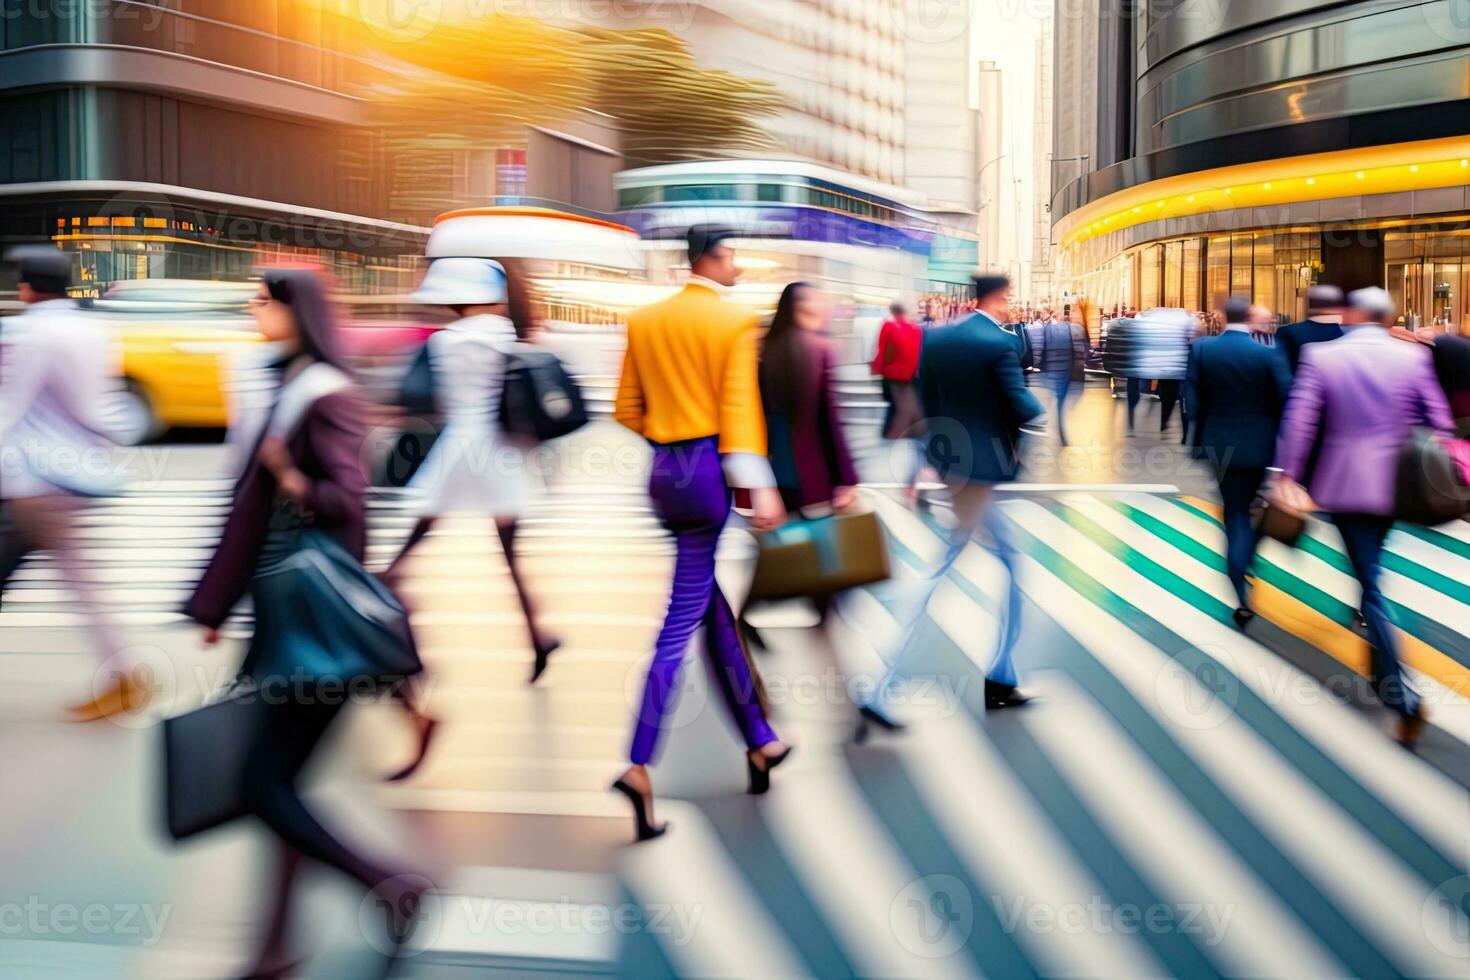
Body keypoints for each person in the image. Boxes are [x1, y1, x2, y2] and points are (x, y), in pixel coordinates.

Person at [183, 269, 427, 976]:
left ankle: (388, 884)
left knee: (263, 781)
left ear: (297, 311)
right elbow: (248, 515)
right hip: (280, 617)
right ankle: (277, 946)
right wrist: (214, 605)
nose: (253, 310)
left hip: (305, 625)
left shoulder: (325, 393)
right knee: (275, 780)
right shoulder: (291, 382)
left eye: (264, 300)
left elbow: (345, 504)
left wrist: (290, 474)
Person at [610, 226, 793, 841]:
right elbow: (740, 411)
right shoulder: (734, 324)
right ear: (713, 259)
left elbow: (626, 410)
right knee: (677, 625)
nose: (737, 265)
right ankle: (637, 763)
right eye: (733, 255)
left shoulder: (646, 320)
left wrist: (670, 448)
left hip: (663, 473)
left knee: (712, 614)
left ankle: (760, 741)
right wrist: (759, 485)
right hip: (707, 474)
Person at [859, 274, 1043, 736]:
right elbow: (1022, 406)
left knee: (1006, 565)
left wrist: (930, 458)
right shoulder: (999, 344)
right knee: (941, 571)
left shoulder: (936, 339)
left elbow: (926, 401)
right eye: (1008, 298)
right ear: (998, 297)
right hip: (981, 471)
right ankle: (883, 685)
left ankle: (1001, 676)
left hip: (950, 462)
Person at [1272, 287, 1455, 748]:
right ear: (1388, 316)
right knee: (1368, 569)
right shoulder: (1412, 359)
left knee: (1370, 581)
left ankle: (1403, 695)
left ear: (1354, 314)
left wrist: (1287, 475)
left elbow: (1301, 421)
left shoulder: (1321, 356)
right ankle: (1379, 671)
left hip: (1347, 484)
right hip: (1399, 484)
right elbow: (1440, 422)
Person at [382, 257, 561, 685]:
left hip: (458, 452)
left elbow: (418, 398)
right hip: (500, 455)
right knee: (511, 555)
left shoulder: (443, 342)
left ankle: (382, 625)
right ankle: (537, 639)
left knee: (408, 549)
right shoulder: (509, 338)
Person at [0, 245, 141, 722]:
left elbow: (10, 405)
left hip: (32, 482)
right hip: (71, 480)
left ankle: (127, 676)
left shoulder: (30, 332)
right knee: (82, 584)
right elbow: (100, 407)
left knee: (79, 583)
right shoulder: (92, 329)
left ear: (28, 288)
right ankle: (127, 676)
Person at [1185, 296, 1292, 626]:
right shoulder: (1268, 352)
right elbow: (1287, 400)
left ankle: (1240, 592)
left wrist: (1197, 437)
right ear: (1249, 317)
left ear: (1221, 316)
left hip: (1219, 447)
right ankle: (1246, 559)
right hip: (1261, 447)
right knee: (1257, 510)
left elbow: (1191, 399)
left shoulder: (1203, 350)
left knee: (1233, 512)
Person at [870, 299, 925, 496]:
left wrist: (877, 367)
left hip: (894, 372)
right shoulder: (915, 328)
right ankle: (913, 429)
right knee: (906, 403)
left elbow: (883, 348)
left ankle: (896, 432)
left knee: (901, 405)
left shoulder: (888, 326)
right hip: (911, 373)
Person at [1036, 306, 1090, 446]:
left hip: (1056, 371)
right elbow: (1083, 351)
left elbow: (1043, 349)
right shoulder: (1076, 329)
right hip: (1067, 371)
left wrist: (1042, 366)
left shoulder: (1048, 329)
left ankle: (1057, 423)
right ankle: (1060, 428)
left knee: (1059, 398)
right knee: (1062, 399)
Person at [1277, 284, 1345, 372]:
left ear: (1309, 303)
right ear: (1339, 305)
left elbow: (1279, 367)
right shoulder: (1351, 333)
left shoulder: (1288, 332)